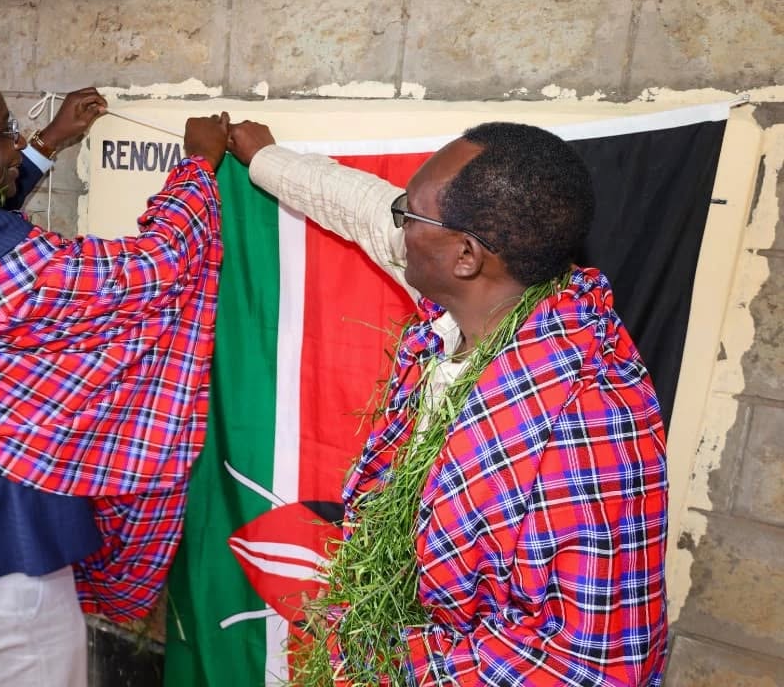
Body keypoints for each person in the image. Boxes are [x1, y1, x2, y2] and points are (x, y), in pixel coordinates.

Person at [226, 121, 668, 686]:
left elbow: (587, 665)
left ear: (465, 255)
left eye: (408, 215)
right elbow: (362, 206)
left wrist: (382, 658)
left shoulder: (590, 424)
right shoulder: (480, 299)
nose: (397, 225)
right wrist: (265, 157)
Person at [0, 60, 228, 686]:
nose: (12, 146)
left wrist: (48, 144)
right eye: (1, 134)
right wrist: (195, 166)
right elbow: (155, 265)